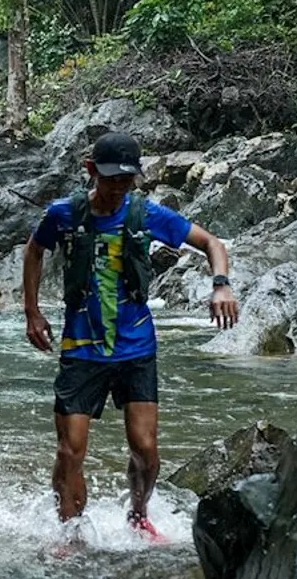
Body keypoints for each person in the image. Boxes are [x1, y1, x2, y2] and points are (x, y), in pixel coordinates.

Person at [23, 130, 239, 541]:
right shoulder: (64, 214)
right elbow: (34, 250)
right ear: (91, 172)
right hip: (81, 347)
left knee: (145, 447)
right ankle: (71, 532)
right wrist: (32, 312)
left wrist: (221, 284)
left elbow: (211, 242)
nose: (118, 189)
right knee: (71, 449)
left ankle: (139, 514)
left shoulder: (148, 215)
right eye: (111, 180)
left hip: (137, 345)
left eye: (126, 180)